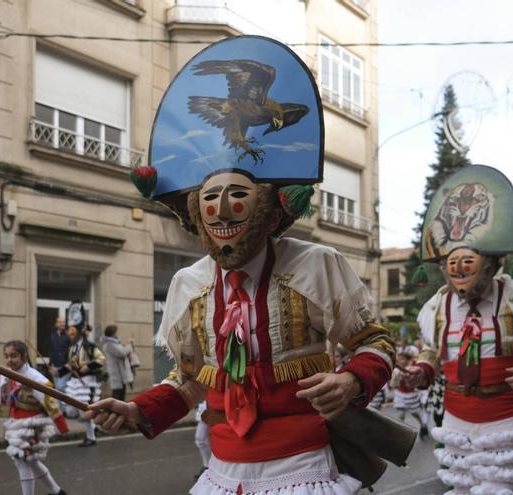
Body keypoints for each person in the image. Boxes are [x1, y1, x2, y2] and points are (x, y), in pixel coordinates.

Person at [85, 36, 396, 495]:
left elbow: (376, 342)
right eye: (210, 199)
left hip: (303, 466)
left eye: (237, 196)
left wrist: (351, 380)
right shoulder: (188, 283)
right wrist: (138, 410)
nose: (222, 209)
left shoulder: (316, 264)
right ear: (198, 217)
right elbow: (190, 379)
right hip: (223, 471)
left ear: (270, 214)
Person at [405, 165, 513, 495]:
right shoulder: (436, 307)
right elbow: (431, 351)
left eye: (469, 261)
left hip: (506, 416)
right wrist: (421, 371)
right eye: (452, 263)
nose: (458, 268)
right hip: (456, 418)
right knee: (462, 490)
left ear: (491, 264)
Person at [0, 341, 69, 495]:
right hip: (16, 424)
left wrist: (62, 426)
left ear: (24, 356)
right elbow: (5, 400)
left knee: (21, 459)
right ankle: (57, 491)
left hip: (33, 425)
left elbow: (50, 403)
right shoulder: (5, 375)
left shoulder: (36, 378)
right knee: (31, 461)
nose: (9, 360)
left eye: (13, 356)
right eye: (6, 356)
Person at [60, 301, 105, 447]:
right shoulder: (72, 348)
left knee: (85, 411)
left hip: (86, 383)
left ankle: (91, 436)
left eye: (72, 331)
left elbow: (101, 360)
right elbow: (71, 365)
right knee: (72, 410)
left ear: (80, 331)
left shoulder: (90, 347)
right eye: (69, 330)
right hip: (75, 383)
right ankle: (93, 428)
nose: (70, 333)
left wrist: (88, 367)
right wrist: (59, 371)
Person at [389, 353, 428, 438]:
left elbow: (416, 382)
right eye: (399, 359)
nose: (400, 361)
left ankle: (423, 425)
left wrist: (406, 375)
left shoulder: (413, 368)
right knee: (401, 412)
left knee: (414, 413)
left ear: (408, 360)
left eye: (402, 359)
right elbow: (393, 383)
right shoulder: (396, 369)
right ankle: (400, 431)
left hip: (411, 395)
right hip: (400, 394)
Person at [101, 324, 134, 401]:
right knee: (117, 395)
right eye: (116, 332)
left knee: (121, 395)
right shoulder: (110, 344)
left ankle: (118, 408)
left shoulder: (114, 343)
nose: (117, 333)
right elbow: (121, 352)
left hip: (120, 373)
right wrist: (129, 346)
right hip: (116, 373)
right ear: (113, 333)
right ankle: (113, 408)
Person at [47, 317, 70, 393]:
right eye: (60, 322)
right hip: (54, 366)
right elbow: (50, 351)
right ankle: (62, 401)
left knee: (60, 387)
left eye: (63, 322)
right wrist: (51, 365)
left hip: (65, 366)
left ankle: (65, 401)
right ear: (56, 324)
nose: (62, 324)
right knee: (57, 389)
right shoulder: (52, 336)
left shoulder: (68, 336)